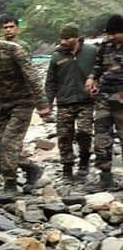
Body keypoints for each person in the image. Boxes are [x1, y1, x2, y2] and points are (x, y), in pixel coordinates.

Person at [0, 20, 50, 196]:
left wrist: (42, 104)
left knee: (9, 142)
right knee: (0, 145)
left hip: (23, 102)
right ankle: (31, 168)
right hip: (2, 103)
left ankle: (10, 184)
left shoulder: (13, 50)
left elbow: (32, 77)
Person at [44, 24, 96, 182]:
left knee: (84, 132)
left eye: (67, 38)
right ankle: (67, 169)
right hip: (64, 102)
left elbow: (100, 69)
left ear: (77, 38)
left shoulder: (91, 52)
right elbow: (50, 82)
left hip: (85, 101)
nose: (63, 41)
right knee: (64, 136)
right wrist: (48, 103)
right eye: (62, 38)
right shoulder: (56, 56)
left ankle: (84, 162)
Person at [86, 13, 123, 190]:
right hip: (104, 99)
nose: (111, 37)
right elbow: (97, 65)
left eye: (115, 33)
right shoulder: (105, 46)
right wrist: (92, 78)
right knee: (101, 138)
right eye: (109, 33)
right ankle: (105, 178)